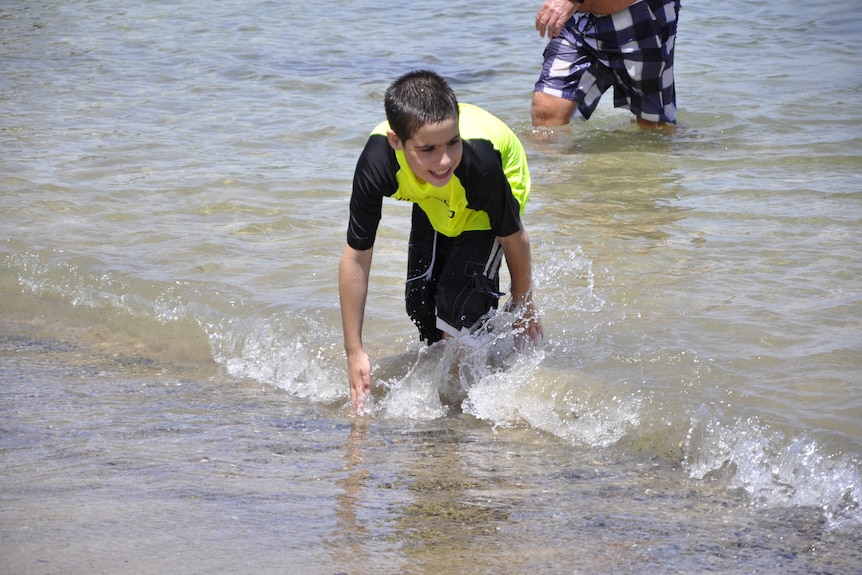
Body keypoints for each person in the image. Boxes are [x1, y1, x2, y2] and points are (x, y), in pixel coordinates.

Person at [339, 70, 543, 412]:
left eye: (452, 142)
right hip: (434, 198)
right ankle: (461, 367)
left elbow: (513, 236)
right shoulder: (377, 164)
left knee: (459, 302)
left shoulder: (478, 162)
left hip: (489, 197)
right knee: (420, 304)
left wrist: (524, 303)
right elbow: (356, 257)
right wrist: (354, 350)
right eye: (428, 149)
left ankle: (469, 403)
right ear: (396, 142)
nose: (444, 158)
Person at [532, 0, 681, 128]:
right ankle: (549, 160)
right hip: (577, 18)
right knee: (546, 112)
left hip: (641, 13)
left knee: (653, 126)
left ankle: (681, 154)